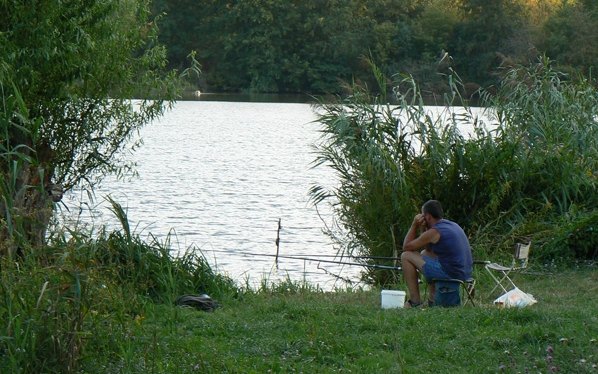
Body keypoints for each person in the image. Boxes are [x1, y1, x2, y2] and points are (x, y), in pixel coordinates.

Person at [401, 200, 473, 308]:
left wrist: (414, 225)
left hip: (451, 273)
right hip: (463, 272)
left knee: (406, 256)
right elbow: (428, 249)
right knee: (424, 253)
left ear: (428, 216)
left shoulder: (435, 231)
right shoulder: (451, 225)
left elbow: (406, 247)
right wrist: (423, 228)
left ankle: (415, 301)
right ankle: (432, 299)